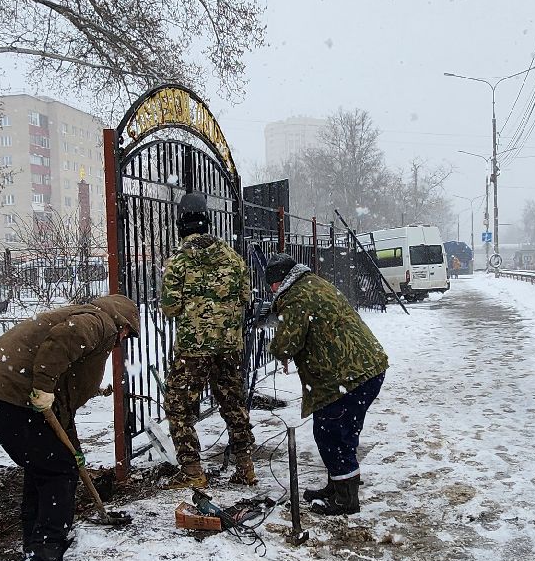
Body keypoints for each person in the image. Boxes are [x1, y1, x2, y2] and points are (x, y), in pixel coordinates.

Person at [0, 293, 140, 561]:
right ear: (122, 322)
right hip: (10, 395)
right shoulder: (99, 323)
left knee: (47, 466)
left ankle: (36, 545)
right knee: (57, 472)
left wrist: (73, 450)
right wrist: (42, 388)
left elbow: (62, 405)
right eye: (127, 333)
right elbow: (61, 341)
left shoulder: (91, 320)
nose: (122, 340)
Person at [263, 253, 388, 516]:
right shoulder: (312, 283)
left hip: (345, 377)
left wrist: (272, 341)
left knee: (331, 434)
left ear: (280, 281)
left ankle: (346, 499)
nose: (272, 290)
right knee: (342, 432)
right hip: (364, 368)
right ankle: (338, 486)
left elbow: (286, 344)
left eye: (272, 285)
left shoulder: (296, 297)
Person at [160, 192, 257, 489]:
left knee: (179, 406)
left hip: (193, 349)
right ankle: (245, 466)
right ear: (207, 221)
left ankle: (192, 470)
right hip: (229, 345)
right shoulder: (234, 258)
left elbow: (170, 308)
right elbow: (245, 298)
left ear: (181, 223)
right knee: (233, 403)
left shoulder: (177, 262)